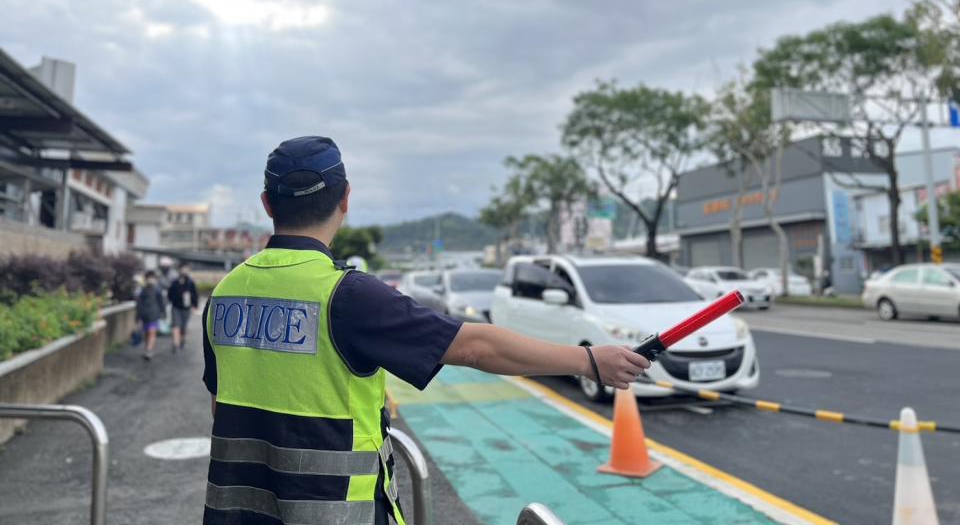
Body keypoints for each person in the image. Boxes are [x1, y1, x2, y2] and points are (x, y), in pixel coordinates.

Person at [201, 136, 649, 525]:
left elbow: (226, 408)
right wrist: (589, 361)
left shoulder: (225, 293)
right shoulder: (346, 295)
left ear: (267, 204)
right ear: (345, 200)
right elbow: (474, 347)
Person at [168, 263, 199, 352]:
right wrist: (175, 299)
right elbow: (170, 294)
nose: (185, 271)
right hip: (176, 307)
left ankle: (182, 340)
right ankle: (175, 344)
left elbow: (195, 295)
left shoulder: (190, 282)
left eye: (187, 269)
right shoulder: (174, 282)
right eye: (183, 269)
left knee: (183, 327)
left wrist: (194, 305)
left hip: (186, 307)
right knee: (176, 325)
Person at [136, 270, 165, 360]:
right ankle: (147, 349)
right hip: (145, 315)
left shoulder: (157, 290)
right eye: (149, 278)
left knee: (152, 332)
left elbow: (161, 302)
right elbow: (139, 304)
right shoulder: (142, 290)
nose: (150, 280)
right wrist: (138, 317)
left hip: (154, 315)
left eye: (152, 278)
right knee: (147, 333)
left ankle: (149, 350)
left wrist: (163, 313)